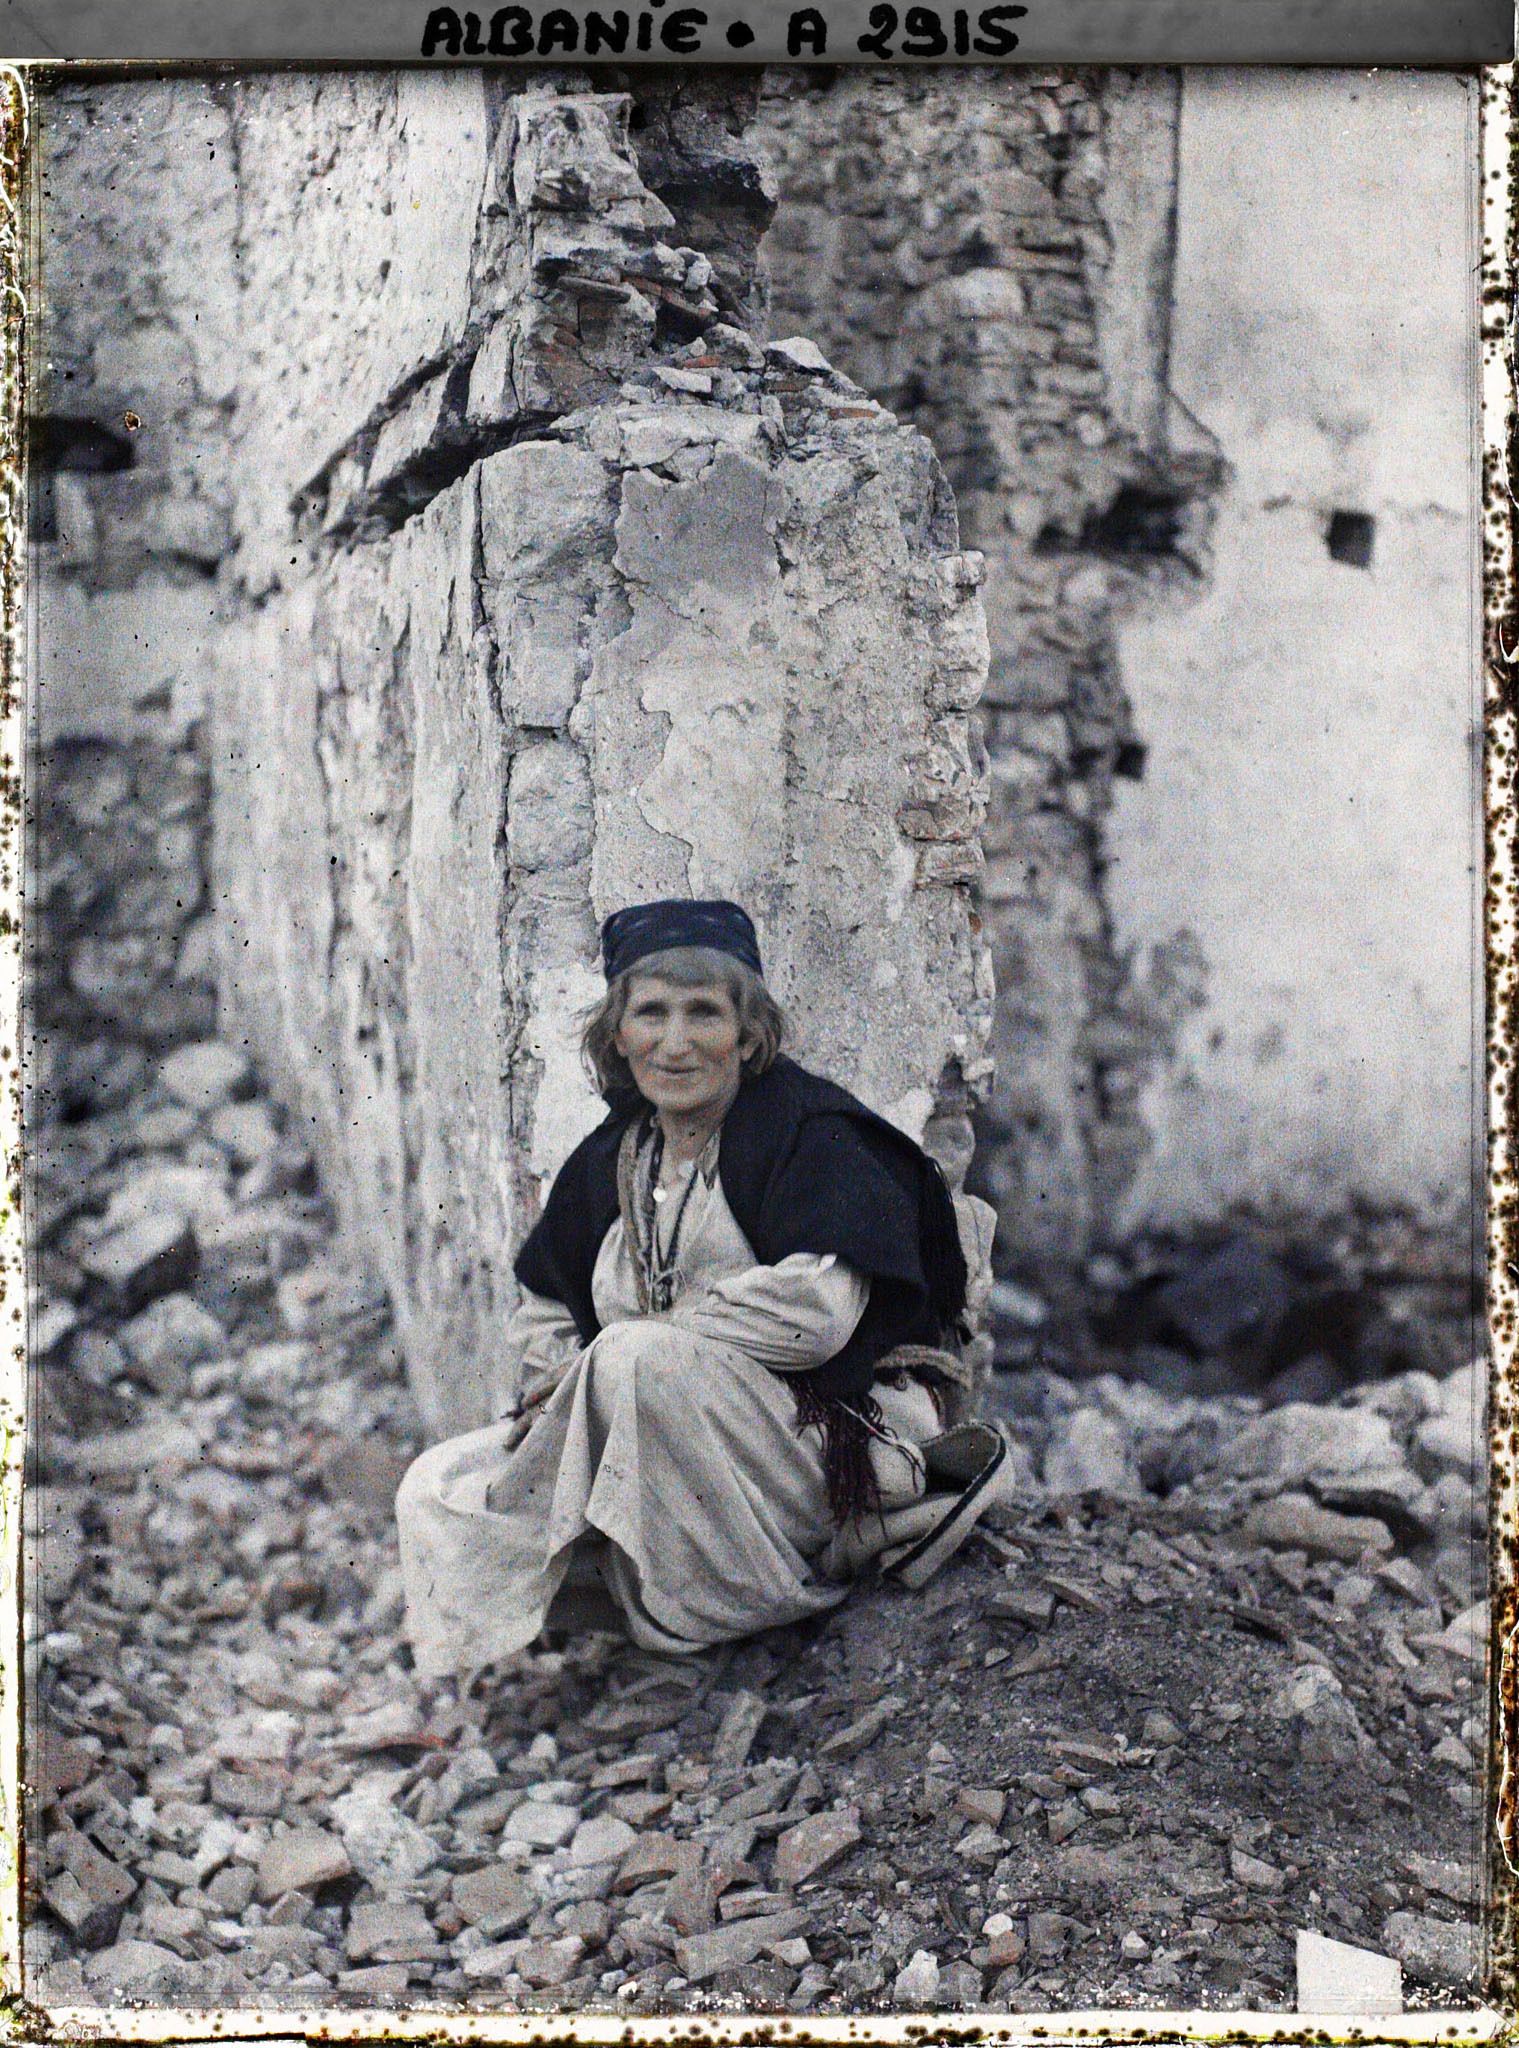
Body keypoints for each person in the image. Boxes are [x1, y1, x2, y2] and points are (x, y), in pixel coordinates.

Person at [396, 898, 1009, 1675]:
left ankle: (726, 1631)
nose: (675, 1043)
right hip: (664, 1441)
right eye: (651, 1013)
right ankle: (631, 1622)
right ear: (618, 1035)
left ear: (748, 1035)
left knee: (633, 1361)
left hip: (821, 1443)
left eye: (704, 1014)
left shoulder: (813, 1136)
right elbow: (545, 1306)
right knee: (435, 1486)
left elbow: (816, 1317)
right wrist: (562, 1381)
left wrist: (630, 1350)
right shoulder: (615, 1158)